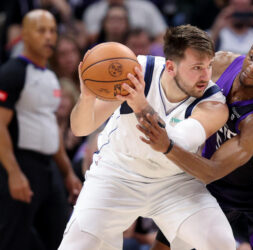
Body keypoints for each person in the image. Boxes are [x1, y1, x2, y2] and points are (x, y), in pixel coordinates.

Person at [59, 24, 236, 250]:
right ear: (170, 67)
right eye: (197, 67)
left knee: (222, 244)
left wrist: (140, 105)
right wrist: (86, 98)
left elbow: (176, 143)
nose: (205, 76)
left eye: (209, 66)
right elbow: (80, 128)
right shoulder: (136, 71)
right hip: (116, 175)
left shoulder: (214, 103)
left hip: (174, 183)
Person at [137, 32, 253, 249]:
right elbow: (178, 78)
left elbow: (213, 169)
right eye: (252, 57)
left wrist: (167, 146)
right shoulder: (222, 63)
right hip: (212, 187)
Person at [0, 9, 82, 250]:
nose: (49, 37)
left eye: (53, 31)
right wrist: (13, 173)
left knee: (62, 239)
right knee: (13, 239)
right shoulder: (12, 73)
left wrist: (67, 172)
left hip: (49, 169)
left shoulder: (50, 77)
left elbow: (50, 126)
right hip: (19, 165)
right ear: (25, 35)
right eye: (41, 30)